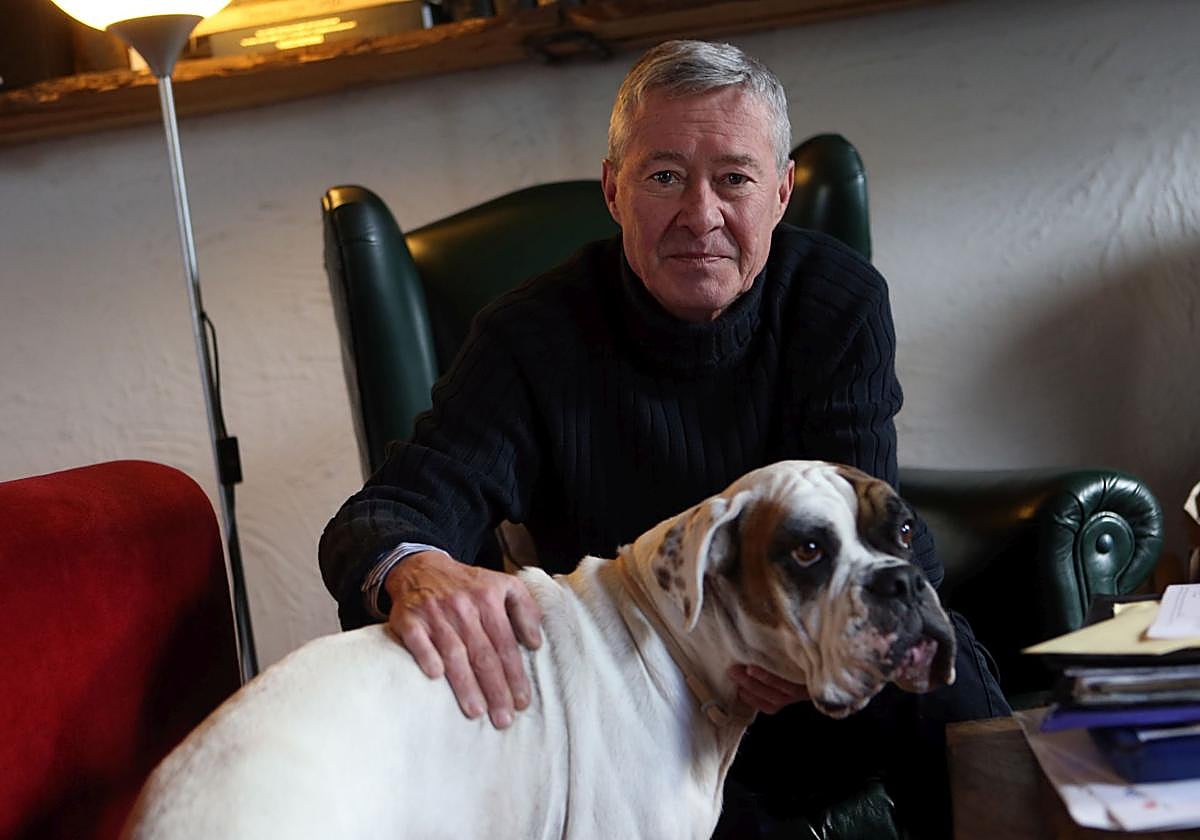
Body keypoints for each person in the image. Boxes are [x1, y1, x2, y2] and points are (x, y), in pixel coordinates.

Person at [319, 39, 1009, 838]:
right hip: (642, 713)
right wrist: (417, 568)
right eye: (665, 177)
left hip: (823, 671)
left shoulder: (836, 300)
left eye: (735, 179)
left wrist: (799, 644)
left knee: (952, 690)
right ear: (614, 191)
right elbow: (395, 508)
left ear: (781, 193)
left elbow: (870, 523)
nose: (701, 215)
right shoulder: (529, 338)